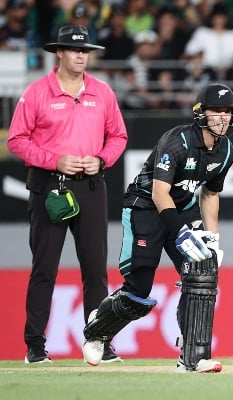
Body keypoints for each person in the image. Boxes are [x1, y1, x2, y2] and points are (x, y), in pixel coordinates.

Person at [81, 83, 233, 373]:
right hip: (146, 208)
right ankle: (97, 330)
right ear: (201, 113)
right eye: (217, 111)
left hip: (181, 208)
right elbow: (159, 193)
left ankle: (193, 357)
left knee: (202, 272)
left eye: (228, 111)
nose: (223, 117)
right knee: (138, 291)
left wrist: (213, 238)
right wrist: (181, 232)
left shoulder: (226, 151)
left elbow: (210, 194)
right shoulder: (176, 141)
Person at [7, 25, 128, 364]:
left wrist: (101, 159)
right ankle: (35, 346)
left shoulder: (102, 92)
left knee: (94, 269)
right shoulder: (36, 92)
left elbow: (118, 136)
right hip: (49, 185)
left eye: (85, 50)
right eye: (74, 49)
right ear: (58, 52)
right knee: (45, 267)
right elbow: (16, 139)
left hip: (90, 185)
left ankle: (99, 342)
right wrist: (54, 159)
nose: (80, 55)